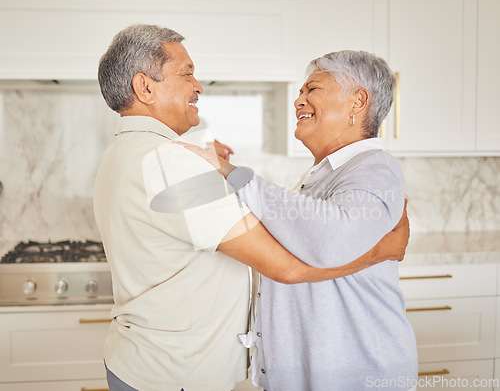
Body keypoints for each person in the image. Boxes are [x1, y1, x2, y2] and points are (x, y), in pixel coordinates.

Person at [93, 24, 411, 391]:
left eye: (312, 89)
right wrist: (382, 251)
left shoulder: (124, 153)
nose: (198, 86)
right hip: (174, 376)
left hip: (143, 366)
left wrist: (222, 175)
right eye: (187, 74)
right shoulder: (171, 162)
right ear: (144, 87)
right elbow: (286, 267)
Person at [184, 50, 419, 390]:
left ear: (358, 101)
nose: (299, 101)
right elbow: (288, 242)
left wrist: (233, 174)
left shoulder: (375, 168)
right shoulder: (325, 174)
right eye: (300, 92)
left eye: (312, 89)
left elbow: (330, 240)